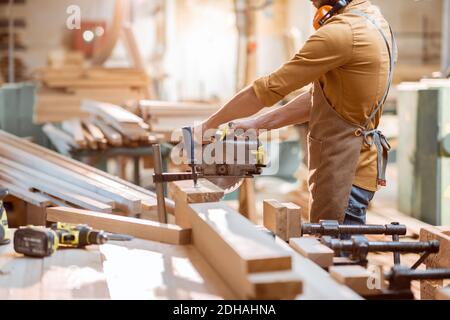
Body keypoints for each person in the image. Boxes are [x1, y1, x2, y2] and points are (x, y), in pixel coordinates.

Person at [199, 0, 397, 226]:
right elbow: (321, 98)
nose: (312, 4)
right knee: (338, 249)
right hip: (357, 165)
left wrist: (205, 128)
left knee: (337, 254)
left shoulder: (340, 33)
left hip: (342, 170)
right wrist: (257, 123)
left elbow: (268, 89)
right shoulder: (373, 20)